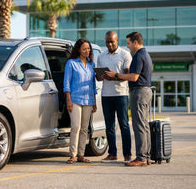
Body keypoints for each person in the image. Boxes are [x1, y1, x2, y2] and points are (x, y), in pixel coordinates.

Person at [106, 32, 153, 166]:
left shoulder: (138, 56)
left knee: (139, 126)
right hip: (146, 91)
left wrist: (116, 75)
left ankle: (141, 158)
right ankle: (147, 156)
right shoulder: (146, 54)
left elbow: (133, 77)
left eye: (128, 43)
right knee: (144, 125)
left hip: (139, 91)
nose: (128, 46)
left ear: (135, 43)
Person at [97, 31, 133, 163]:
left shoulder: (125, 55)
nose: (109, 44)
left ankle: (127, 154)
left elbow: (127, 76)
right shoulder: (101, 56)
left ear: (117, 40)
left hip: (121, 95)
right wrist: (101, 75)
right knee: (109, 126)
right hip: (106, 95)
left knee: (124, 125)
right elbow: (98, 78)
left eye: (112, 41)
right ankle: (112, 153)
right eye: (107, 42)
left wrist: (114, 75)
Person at [63, 38, 97, 164]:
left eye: (88, 49)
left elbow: (93, 84)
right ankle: (72, 155)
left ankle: (81, 155)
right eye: (84, 49)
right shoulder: (71, 63)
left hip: (88, 100)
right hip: (75, 99)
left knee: (84, 128)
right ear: (78, 50)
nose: (87, 51)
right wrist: (69, 100)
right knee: (75, 127)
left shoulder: (91, 64)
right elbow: (66, 82)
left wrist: (94, 101)